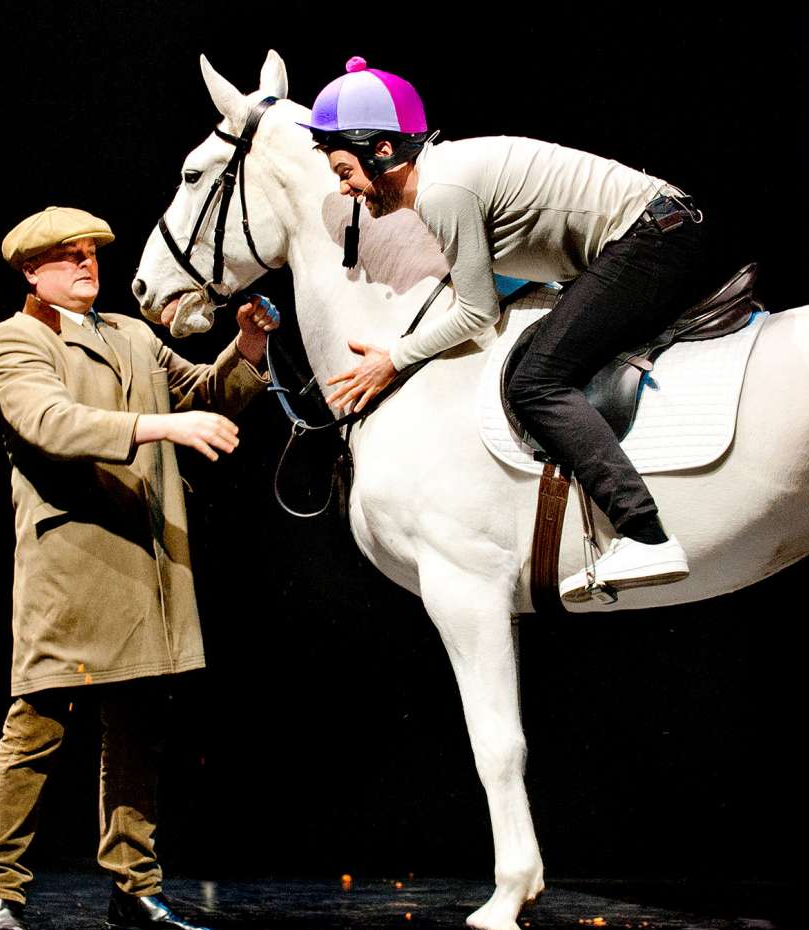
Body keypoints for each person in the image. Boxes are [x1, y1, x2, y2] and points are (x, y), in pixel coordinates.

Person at [0, 206, 279, 930]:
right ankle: (0, 890)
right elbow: (49, 421)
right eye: (67, 256)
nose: (85, 265)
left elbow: (208, 395)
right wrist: (160, 426)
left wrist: (248, 343)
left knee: (138, 729)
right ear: (30, 271)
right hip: (73, 559)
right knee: (40, 723)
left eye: (90, 254)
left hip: (144, 560)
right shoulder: (17, 338)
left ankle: (135, 889)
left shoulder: (132, 334)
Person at [303, 57, 711, 602]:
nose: (347, 189)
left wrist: (394, 358)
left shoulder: (441, 192)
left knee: (535, 381)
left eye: (344, 172)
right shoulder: (445, 178)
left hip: (652, 236)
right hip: (647, 235)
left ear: (382, 152)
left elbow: (476, 314)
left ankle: (644, 533)